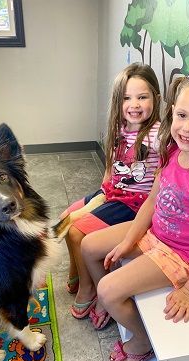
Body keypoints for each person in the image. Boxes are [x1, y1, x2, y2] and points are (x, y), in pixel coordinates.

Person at [80, 72, 189, 361]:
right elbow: (151, 201)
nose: (187, 127)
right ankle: (106, 303)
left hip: (180, 257)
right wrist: (128, 240)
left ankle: (143, 339)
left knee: (109, 289)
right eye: (182, 115)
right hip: (153, 236)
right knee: (89, 244)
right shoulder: (173, 151)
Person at [60, 62, 161, 325]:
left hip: (134, 203)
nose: (134, 104)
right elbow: (110, 168)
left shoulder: (158, 135)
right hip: (114, 192)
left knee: (76, 231)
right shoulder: (119, 128)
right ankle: (78, 272)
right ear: (118, 101)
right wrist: (101, 194)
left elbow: (159, 183)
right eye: (127, 98)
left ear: (156, 99)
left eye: (142, 97)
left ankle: (90, 288)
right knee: (66, 218)